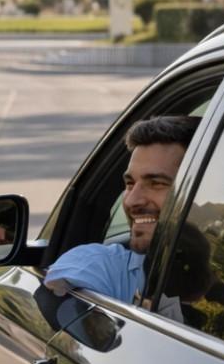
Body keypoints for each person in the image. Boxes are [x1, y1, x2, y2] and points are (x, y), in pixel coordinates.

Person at [45, 115, 201, 305]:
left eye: (157, 183)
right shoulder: (101, 266)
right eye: (130, 183)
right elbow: (58, 313)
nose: (132, 200)